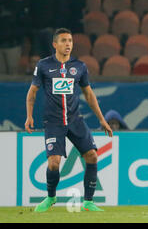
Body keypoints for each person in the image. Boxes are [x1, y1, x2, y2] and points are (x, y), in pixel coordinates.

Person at [25, 28, 113, 212]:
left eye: (70, 41)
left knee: (92, 155)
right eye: (64, 40)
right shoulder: (43, 65)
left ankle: (88, 201)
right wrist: (29, 116)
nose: (68, 44)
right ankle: (50, 198)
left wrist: (102, 119)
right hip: (53, 122)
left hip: (75, 120)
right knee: (54, 162)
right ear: (54, 44)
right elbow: (32, 92)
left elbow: (88, 94)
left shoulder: (79, 66)